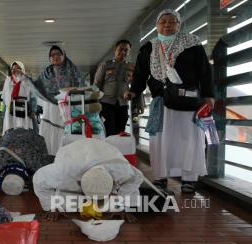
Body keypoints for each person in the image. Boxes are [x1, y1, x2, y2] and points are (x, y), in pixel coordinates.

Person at [127, 9, 215, 194]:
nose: (167, 25)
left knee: (189, 139)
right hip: (161, 100)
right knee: (159, 140)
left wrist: (209, 95)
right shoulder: (148, 47)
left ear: (178, 24)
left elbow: (205, 71)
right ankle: (160, 177)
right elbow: (140, 73)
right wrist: (134, 91)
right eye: (163, 21)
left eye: (171, 21)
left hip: (188, 101)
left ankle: (188, 180)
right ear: (157, 25)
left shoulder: (192, 43)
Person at [33, 139, 143, 222]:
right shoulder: (64, 170)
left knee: (112, 206)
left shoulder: (122, 170)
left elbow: (135, 181)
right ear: (79, 183)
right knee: (66, 205)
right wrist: (51, 207)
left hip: (106, 150)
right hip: (73, 152)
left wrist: (124, 206)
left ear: (114, 182)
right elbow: (38, 180)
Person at [34, 45, 82, 155]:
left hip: (67, 108)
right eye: (52, 55)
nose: (55, 57)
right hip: (50, 110)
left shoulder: (73, 70)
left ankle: (65, 156)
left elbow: (79, 87)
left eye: (58, 54)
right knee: (50, 133)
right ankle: (50, 155)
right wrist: (27, 80)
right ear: (49, 58)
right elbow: (37, 87)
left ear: (63, 55)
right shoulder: (45, 73)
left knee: (64, 133)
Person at [94, 39, 134, 136]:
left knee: (121, 131)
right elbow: (96, 85)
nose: (123, 52)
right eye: (120, 49)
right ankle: (108, 151)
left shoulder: (132, 67)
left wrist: (139, 104)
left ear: (129, 52)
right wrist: (95, 104)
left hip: (122, 104)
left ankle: (118, 151)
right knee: (108, 130)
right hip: (106, 104)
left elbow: (135, 87)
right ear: (115, 50)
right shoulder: (105, 65)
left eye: (126, 50)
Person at [1, 61, 38, 134]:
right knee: (11, 130)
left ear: (22, 69)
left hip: (24, 109)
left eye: (18, 68)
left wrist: (33, 110)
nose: (15, 70)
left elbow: (33, 96)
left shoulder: (27, 81)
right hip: (10, 111)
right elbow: (5, 98)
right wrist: (3, 112)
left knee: (24, 130)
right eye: (13, 69)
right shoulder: (8, 81)